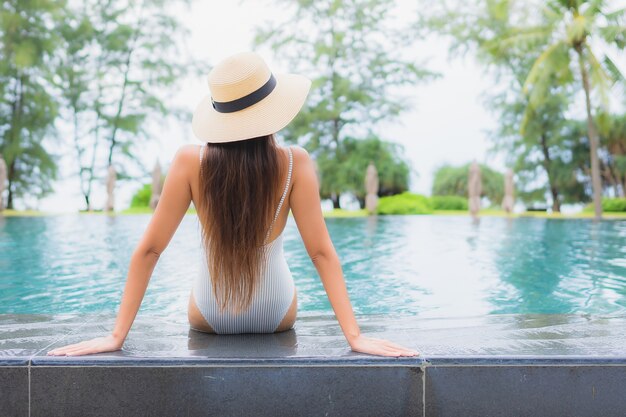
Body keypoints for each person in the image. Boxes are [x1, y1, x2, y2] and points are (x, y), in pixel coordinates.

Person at [47, 51, 419, 358]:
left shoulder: (189, 162)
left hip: (210, 314)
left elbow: (150, 250)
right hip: (277, 314)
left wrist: (116, 336)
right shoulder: (295, 162)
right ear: (272, 108)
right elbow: (321, 253)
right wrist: (355, 337)